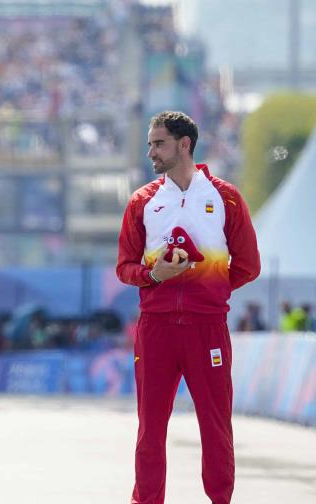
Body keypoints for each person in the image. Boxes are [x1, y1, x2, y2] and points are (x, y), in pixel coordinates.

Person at [116, 111, 260, 504]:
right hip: (157, 328)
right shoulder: (143, 201)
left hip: (207, 328)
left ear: (184, 144)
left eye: (158, 143)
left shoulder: (225, 197)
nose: (150, 152)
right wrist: (154, 275)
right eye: (149, 144)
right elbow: (124, 267)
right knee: (150, 429)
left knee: (216, 428)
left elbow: (249, 266)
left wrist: (208, 290)